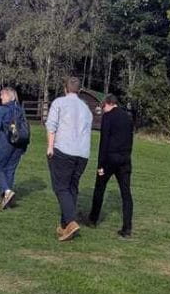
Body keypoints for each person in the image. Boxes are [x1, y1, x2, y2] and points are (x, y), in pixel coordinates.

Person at [45, 75, 92, 242]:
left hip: (64, 150)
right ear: (79, 90)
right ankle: (65, 225)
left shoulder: (59, 103)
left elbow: (51, 126)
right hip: (82, 154)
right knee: (72, 187)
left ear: (65, 89)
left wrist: (50, 147)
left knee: (61, 187)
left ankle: (71, 222)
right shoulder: (86, 108)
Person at [88, 94, 134, 237]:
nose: (103, 109)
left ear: (108, 104)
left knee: (100, 188)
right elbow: (130, 139)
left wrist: (100, 165)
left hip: (109, 159)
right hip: (125, 159)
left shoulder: (108, 117)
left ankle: (93, 219)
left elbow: (104, 142)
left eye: (103, 107)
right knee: (126, 193)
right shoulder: (128, 117)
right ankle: (127, 227)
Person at [0, 86, 28, 209]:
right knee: (10, 170)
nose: (0, 97)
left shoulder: (2, 109)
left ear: (9, 96)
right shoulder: (20, 109)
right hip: (19, 144)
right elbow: (26, 127)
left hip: (6, 142)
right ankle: (7, 202)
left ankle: (6, 191)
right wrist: (25, 146)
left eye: (2, 94)